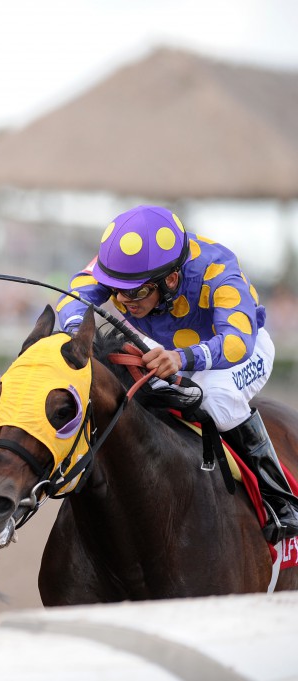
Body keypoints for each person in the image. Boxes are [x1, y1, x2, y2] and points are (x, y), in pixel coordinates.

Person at [57, 204, 298, 542]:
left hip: (241, 351)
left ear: (170, 279)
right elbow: (76, 292)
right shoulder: (122, 269)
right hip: (168, 348)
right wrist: (75, 332)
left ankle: (281, 499)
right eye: (117, 291)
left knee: (216, 398)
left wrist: (182, 358)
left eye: (136, 293)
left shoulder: (218, 270)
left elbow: (236, 343)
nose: (125, 302)